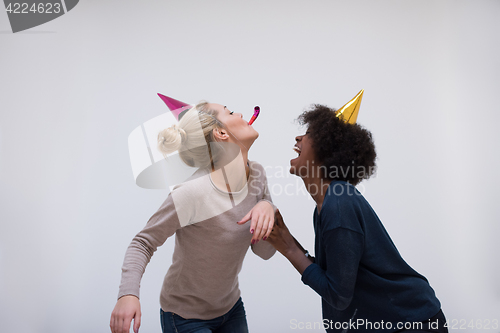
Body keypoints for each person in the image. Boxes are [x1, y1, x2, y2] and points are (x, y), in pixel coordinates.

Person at [266, 101, 447, 333]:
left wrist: (289, 249)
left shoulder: (338, 204)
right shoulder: (328, 203)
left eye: (308, 134)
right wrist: (287, 240)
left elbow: (338, 295)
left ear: (327, 149)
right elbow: (334, 278)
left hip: (410, 322)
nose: (298, 138)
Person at [110, 101, 276, 333]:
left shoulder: (257, 173)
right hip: (184, 318)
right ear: (221, 133)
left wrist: (269, 208)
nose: (239, 113)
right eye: (229, 112)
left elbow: (264, 252)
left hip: (231, 308)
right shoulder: (193, 192)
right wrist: (128, 294)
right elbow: (143, 242)